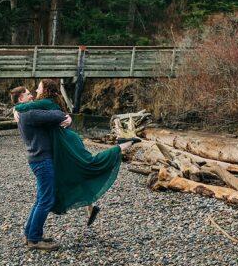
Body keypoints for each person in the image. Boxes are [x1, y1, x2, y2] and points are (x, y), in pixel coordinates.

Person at [10, 80, 140, 251]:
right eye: (28, 94)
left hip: (38, 160)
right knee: (46, 200)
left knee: (42, 199)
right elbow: (56, 115)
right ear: (21, 99)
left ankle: (31, 234)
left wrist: (16, 109)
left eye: (35, 90)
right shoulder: (29, 113)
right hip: (42, 161)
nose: (32, 95)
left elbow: (55, 116)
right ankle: (34, 239)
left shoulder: (27, 111)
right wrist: (65, 117)